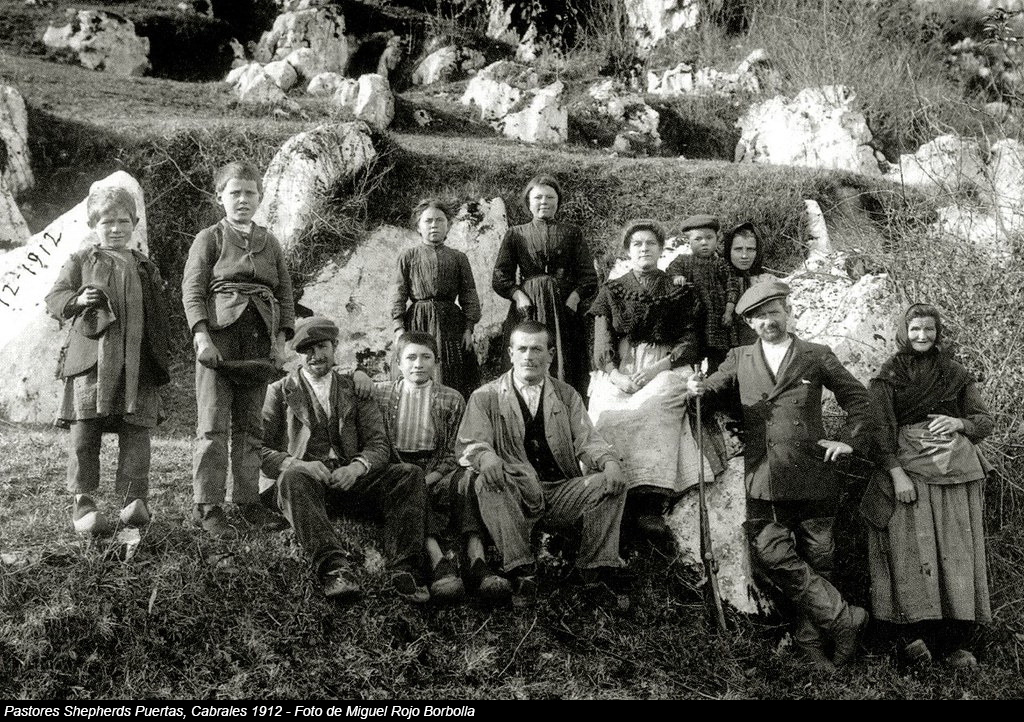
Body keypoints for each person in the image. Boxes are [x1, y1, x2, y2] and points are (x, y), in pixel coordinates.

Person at [685, 281, 876, 673]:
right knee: (772, 555)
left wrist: (847, 441)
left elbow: (860, 399)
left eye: (773, 312)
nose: (767, 321)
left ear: (788, 312)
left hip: (813, 473)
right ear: (749, 324)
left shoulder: (816, 354)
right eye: (757, 317)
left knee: (818, 560)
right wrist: (695, 388)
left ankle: (812, 649)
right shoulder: (739, 357)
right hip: (765, 476)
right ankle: (845, 619)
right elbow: (712, 389)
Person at [259, 317, 435, 603]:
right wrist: (298, 464)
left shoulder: (355, 387)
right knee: (291, 478)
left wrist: (357, 467)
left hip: (352, 482)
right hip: (307, 487)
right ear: (297, 355)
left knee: (410, 474)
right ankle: (334, 567)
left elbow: (378, 443)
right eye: (307, 350)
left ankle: (406, 568)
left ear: (335, 346)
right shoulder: (279, 392)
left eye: (323, 347)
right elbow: (257, 448)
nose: (316, 355)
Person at [859, 304, 993, 668]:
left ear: (938, 332)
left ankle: (953, 643)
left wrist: (959, 423)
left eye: (929, 329)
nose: (922, 336)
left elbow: (983, 421)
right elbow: (879, 429)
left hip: (956, 475)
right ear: (903, 331)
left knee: (955, 555)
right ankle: (913, 639)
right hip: (911, 475)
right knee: (912, 554)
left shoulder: (954, 372)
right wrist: (897, 474)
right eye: (915, 329)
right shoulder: (889, 375)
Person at [456, 320, 628, 601]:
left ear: (550, 355)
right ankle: (522, 569)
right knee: (486, 481)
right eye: (522, 349)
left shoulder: (566, 395)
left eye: (536, 349)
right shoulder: (485, 396)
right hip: (516, 493)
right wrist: (486, 458)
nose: (529, 356)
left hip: (561, 491)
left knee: (611, 482)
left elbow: (587, 439)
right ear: (511, 353)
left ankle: (592, 571)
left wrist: (609, 463)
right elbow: (471, 442)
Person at [45, 185, 170, 536]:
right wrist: (77, 299)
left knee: (136, 434)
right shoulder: (81, 260)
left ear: (135, 223)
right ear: (93, 225)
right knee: (85, 434)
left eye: (123, 221)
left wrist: (159, 357)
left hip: (137, 364)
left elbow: (159, 314)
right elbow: (54, 297)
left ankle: (134, 501)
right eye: (107, 222)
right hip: (91, 364)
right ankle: (83, 502)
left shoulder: (145, 266)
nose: (115, 229)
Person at [586, 219, 722, 539]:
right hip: (622, 368)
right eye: (637, 244)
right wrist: (615, 376)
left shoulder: (678, 288)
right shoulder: (612, 290)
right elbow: (601, 342)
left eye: (650, 243)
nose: (644, 248)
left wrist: (657, 368)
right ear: (627, 251)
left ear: (661, 249)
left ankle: (649, 500)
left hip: (666, 366)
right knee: (606, 412)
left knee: (656, 404)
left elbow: (690, 340)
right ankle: (612, 494)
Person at [181, 161, 294, 538]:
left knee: (250, 427)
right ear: (220, 197)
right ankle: (209, 505)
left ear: (260, 197)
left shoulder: (270, 242)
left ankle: (248, 503)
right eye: (235, 193)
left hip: (259, 338)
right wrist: (201, 337)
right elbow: (193, 290)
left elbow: (285, 294)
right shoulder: (209, 238)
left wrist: (280, 342)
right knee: (212, 425)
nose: (242, 200)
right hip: (220, 339)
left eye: (250, 193)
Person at [361, 331, 500, 602]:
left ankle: (477, 558)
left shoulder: (451, 398)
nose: (418, 364)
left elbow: (453, 452)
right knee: (410, 490)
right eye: (410, 357)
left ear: (436, 362)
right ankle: (438, 561)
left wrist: (432, 476)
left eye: (426, 357)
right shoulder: (381, 394)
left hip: (437, 466)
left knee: (468, 480)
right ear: (398, 363)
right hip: (397, 468)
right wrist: (359, 374)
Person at [492, 174, 597, 398]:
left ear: (558, 201)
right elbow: (500, 275)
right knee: (527, 356)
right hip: (528, 307)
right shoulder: (515, 234)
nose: (544, 202)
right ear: (528, 202)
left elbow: (589, 276)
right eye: (538, 197)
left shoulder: (572, 233)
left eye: (550, 197)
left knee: (566, 360)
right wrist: (518, 296)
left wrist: (575, 298)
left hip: (564, 309)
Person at [391, 199, 481, 400]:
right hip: (417, 321)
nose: (434, 225)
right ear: (418, 227)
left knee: (453, 372)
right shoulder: (408, 256)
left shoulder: (458, 258)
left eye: (440, 220)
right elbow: (398, 293)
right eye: (428, 221)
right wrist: (398, 328)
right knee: (417, 366)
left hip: (451, 323)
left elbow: (469, 293)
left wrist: (468, 328)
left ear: (448, 226)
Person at [667, 215, 731, 373]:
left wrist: (729, 311)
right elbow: (670, 272)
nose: (704, 242)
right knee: (692, 352)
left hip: (717, 320)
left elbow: (732, 287)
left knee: (718, 356)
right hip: (692, 319)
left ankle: (715, 380)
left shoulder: (721, 264)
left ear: (717, 239)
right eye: (698, 239)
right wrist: (677, 278)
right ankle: (693, 378)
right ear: (689, 241)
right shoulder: (683, 261)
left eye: (709, 238)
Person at [723, 222, 776, 347]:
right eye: (738, 249)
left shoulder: (768, 282)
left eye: (751, 249)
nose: (744, 256)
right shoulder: (717, 280)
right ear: (728, 250)